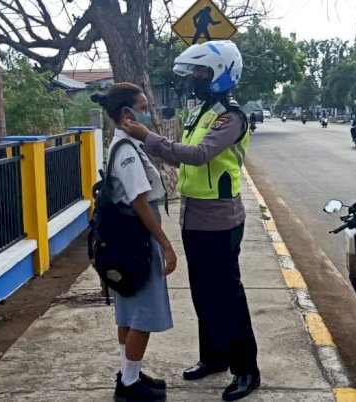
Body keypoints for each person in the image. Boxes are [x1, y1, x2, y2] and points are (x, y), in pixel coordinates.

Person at [120, 40, 260, 401]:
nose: (196, 78)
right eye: (195, 71)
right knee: (203, 292)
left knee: (228, 294)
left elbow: (198, 155)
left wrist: (147, 137)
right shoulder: (201, 113)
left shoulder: (231, 116)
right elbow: (183, 157)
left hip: (221, 218)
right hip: (194, 215)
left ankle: (247, 369)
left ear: (220, 73)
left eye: (202, 71)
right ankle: (214, 357)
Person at [91, 83, 177, 402]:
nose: (147, 111)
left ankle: (130, 375)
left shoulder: (127, 143)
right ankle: (128, 385)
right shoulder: (126, 151)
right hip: (138, 239)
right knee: (142, 313)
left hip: (130, 238)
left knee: (129, 311)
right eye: (142, 106)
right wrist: (166, 245)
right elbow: (141, 203)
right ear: (127, 113)